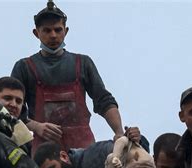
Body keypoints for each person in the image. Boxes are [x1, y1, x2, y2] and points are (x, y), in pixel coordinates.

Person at [11, 1, 124, 152]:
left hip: (83, 148)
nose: (53, 35)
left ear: (66, 31)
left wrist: (119, 133)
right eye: (47, 30)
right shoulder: (24, 67)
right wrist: (37, 127)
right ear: (36, 33)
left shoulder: (83, 63)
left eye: (58, 30)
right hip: (44, 153)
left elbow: (104, 100)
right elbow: (12, 112)